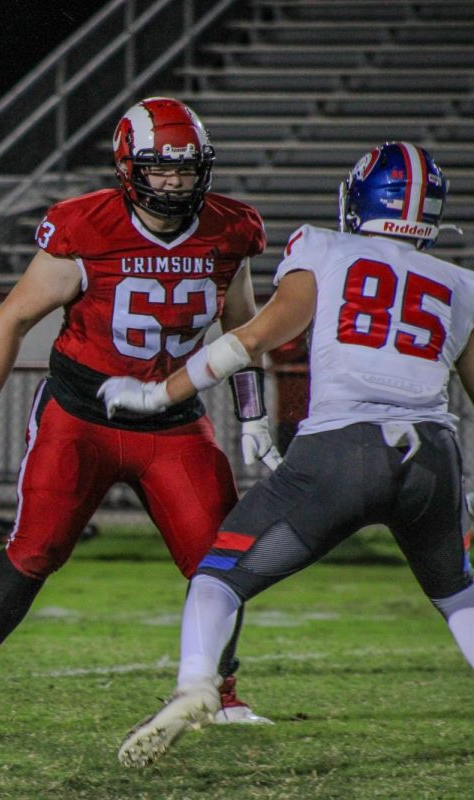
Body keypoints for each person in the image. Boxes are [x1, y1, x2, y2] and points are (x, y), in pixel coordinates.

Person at [107, 141, 474, 767]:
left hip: (342, 450)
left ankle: (197, 685)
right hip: (432, 457)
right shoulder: (461, 283)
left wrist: (158, 392)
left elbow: (255, 337)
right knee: (461, 597)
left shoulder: (325, 248)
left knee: (218, 577)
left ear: (358, 199)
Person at [0, 97, 279, 730]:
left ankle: (220, 687)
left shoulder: (229, 229)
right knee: (35, 550)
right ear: (127, 168)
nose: (173, 181)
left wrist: (252, 415)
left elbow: (240, 327)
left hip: (172, 421)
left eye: (186, 169)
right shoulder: (85, 227)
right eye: (159, 169)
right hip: (80, 416)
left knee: (218, 558)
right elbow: (15, 316)